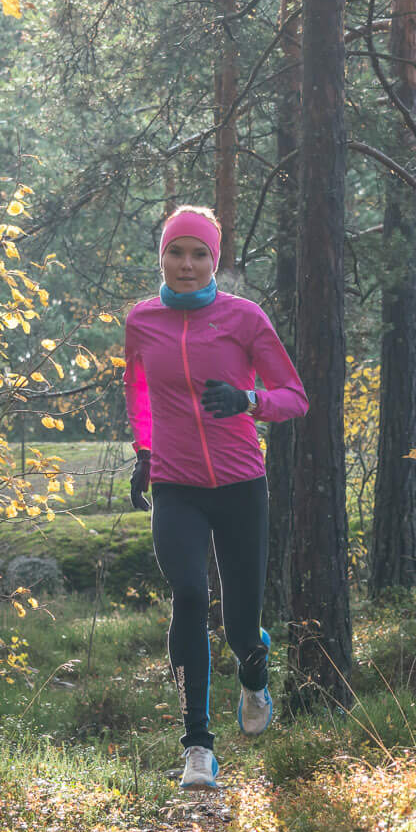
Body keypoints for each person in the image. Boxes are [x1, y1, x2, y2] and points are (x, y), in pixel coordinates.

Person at [124, 206, 308, 791]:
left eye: (198, 253)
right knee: (188, 594)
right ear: (161, 256)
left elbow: (294, 396)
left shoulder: (244, 318)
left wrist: (251, 401)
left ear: (215, 259)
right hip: (175, 484)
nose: (186, 264)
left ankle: (254, 673)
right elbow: (138, 389)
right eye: (176, 252)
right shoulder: (143, 321)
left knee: (240, 625)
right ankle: (198, 747)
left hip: (239, 485)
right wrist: (145, 452)